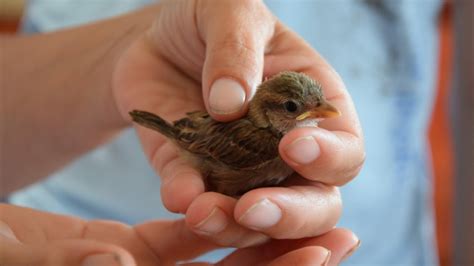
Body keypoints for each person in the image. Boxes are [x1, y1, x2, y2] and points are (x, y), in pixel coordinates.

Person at [2, 0, 445, 265]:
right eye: (295, 109)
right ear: (272, 110)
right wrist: (125, 53)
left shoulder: (287, 139)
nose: (315, 114)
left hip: (383, 250)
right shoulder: (261, 142)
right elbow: (203, 144)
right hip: (87, 225)